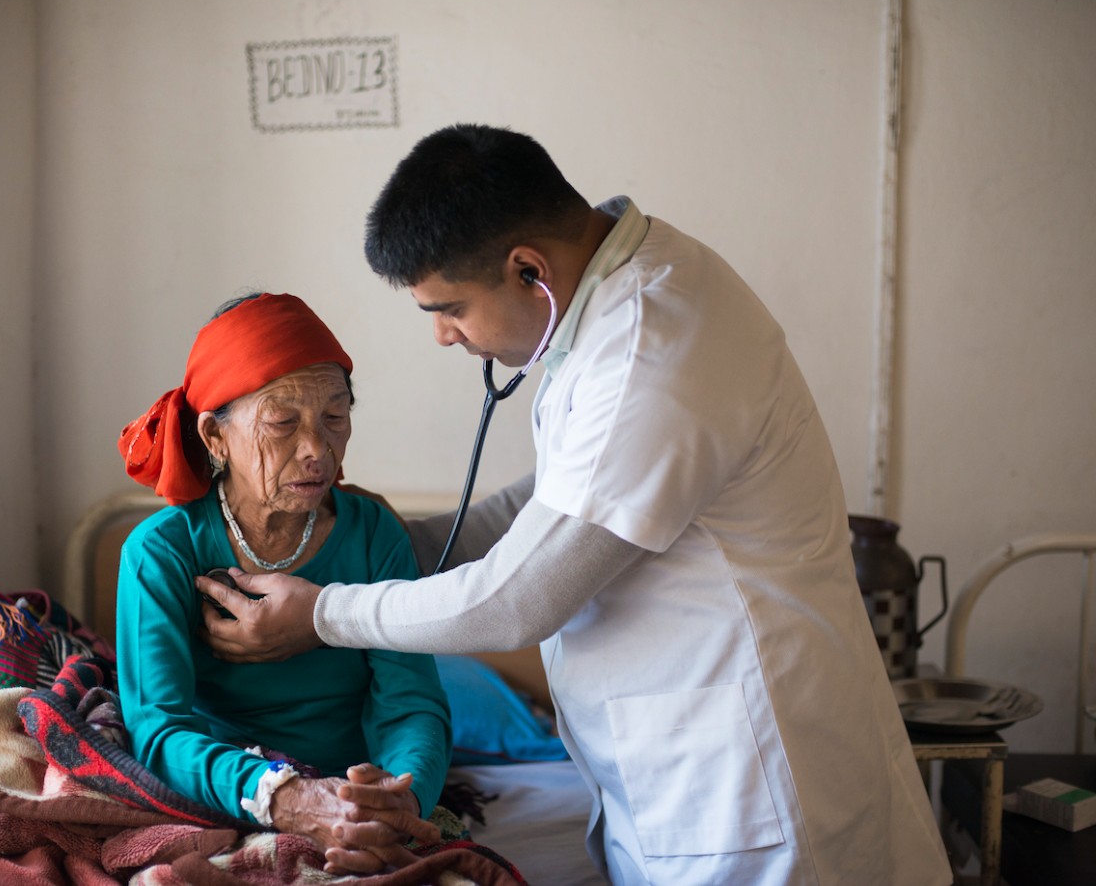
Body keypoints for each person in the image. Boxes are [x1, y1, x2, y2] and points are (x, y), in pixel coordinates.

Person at [194, 126, 952, 884]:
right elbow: (561, 499)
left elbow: (517, 603)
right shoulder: (621, 298)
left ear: (529, 270)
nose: (443, 336)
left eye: (450, 308)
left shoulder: (650, 345)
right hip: (680, 762)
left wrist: (323, 612)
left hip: (749, 781)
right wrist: (383, 541)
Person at [116, 292, 450, 876]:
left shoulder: (375, 534)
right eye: (282, 423)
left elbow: (411, 704)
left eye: (335, 418)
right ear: (215, 437)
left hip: (360, 794)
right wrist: (285, 796)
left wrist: (400, 800)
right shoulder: (161, 552)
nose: (317, 449)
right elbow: (160, 731)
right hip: (231, 790)